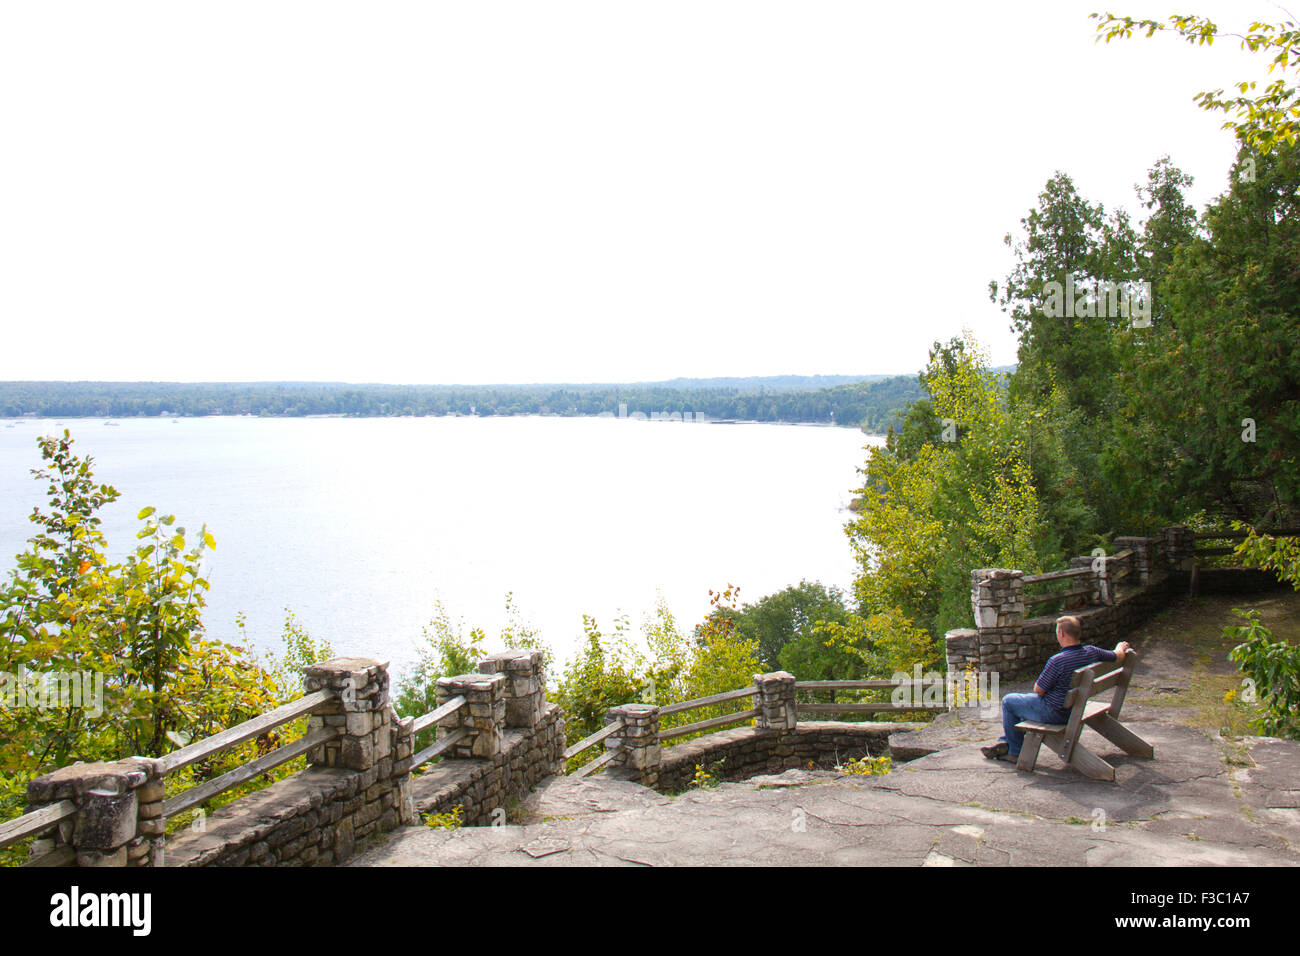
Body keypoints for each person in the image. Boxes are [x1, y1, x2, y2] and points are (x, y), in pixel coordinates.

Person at [981, 615, 1132, 763]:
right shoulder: (1092, 652)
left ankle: (1014, 751)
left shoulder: (1057, 661)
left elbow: (1038, 690)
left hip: (1055, 713)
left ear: (1061, 633)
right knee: (1023, 703)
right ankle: (1007, 742)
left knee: (1009, 701)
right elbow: (1118, 656)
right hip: (1075, 709)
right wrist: (1120, 647)